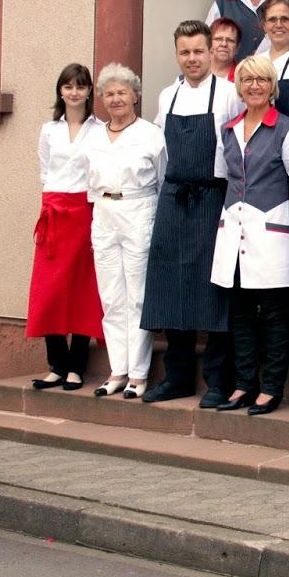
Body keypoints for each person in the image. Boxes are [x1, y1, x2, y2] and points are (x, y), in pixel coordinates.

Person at [141, 21, 243, 408]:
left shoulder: (230, 94)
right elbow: (159, 151)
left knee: (214, 289)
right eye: (185, 52)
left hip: (213, 197)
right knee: (171, 286)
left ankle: (217, 381)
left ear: (211, 51)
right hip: (174, 196)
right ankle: (178, 376)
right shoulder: (168, 96)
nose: (192, 58)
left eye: (198, 51)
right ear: (177, 55)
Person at [211, 55, 289, 416]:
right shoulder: (228, 128)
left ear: (272, 87)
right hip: (234, 232)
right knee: (240, 314)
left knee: (276, 315)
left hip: (272, 230)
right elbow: (226, 175)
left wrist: (279, 214)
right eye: (248, 80)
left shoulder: (286, 127)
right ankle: (243, 384)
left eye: (262, 80)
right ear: (240, 86)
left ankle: (271, 388)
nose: (254, 86)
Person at [84, 63, 167, 400]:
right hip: (103, 213)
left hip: (138, 210)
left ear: (135, 95)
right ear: (102, 98)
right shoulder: (93, 135)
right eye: (109, 93)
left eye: (122, 92)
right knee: (111, 297)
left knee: (137, 297)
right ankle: (117, 369)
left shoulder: (151, 133)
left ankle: (138, 373)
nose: (116, 98)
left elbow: (162, 178)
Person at [26, 64, 106, 392]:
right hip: (55, 215)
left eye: (81, 86)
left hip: (85, 212)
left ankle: (76, 367)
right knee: (50, 291)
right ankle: (56, 365)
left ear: (89, 92)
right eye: (68, 86)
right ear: (60, 91)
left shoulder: (100, 130)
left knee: (82, 290)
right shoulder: (49, 130)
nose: (74, 92)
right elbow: (45, 171)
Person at [260, 0, 289, 65]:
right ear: (264, 25)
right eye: (272, 20)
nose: (278, 25)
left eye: (284, 19)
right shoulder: (257, 62)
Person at [210, 17, 241, 81]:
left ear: (237, 47)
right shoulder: (194, 73)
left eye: (230, 40)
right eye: (218, 39)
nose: (224, 44)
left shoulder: (243, 79)